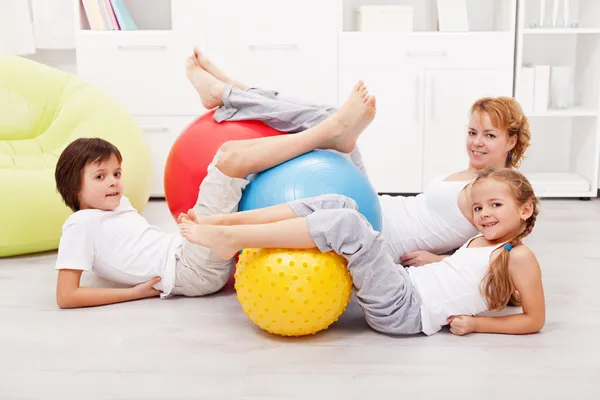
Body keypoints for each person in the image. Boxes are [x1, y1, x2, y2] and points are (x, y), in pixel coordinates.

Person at [186, 48, 533, 266]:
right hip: (373, 202)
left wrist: (440, 260)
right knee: (328, 116)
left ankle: (227, 94)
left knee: (329, 123)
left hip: (375, 229)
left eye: (489, 136)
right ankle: (234, 90)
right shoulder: (476, 175)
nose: (476, 144)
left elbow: (502, 249)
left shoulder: (499, 193)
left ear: (511, 139)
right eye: (472, 133)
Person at [52, 80, 376, 308]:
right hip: (187, 269)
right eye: (100, 176)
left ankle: (329, 137)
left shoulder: (113, 209)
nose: (113, 183)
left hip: (187, 251)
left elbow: (135, 248)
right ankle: (328, 134)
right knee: (229, 158)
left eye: (116, 174)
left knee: (238, 168)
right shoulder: (81, 224)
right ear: (72, 187)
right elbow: (67, 296)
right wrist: (137, 293)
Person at [178, 166, 546, 336]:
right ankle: (229, 223)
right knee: (342, 203)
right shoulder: (487, 244)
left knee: (348, 226)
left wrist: (478, 324)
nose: (483, 215)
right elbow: (474, 277)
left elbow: (534, 319)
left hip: (407, 311)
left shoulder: (520, 256)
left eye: (495, 206)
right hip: (402, 283)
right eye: (479, 208)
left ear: (525, 209)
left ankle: (235, 241)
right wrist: (439, 260)